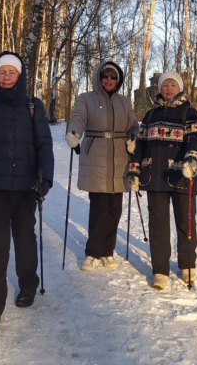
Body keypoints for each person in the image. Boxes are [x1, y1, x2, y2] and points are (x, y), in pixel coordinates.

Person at [0, 51, 54, 334]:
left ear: (19, 76)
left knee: (26, 239)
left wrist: (45, 178)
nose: (6, 76)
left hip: (26, 187)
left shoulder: (33, 106)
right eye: (1, 72)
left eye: (11, 72)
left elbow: (44, 146)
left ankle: (28, 285)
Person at [128, 71, 197, 290]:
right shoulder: (150, 115)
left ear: (179, 88)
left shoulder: (189, 112)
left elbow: (196, 139)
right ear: (160, 88)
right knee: (158, 225)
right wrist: (134, 171)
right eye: (165, 85)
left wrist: (192, 161)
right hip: (154, 177)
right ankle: (160, 270)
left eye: (172, 85)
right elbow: (140, 146)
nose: (168, 88)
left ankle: (188, 265)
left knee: (185, 222)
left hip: (182, 175)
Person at [66, 60, 138, 271]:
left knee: (115, 208)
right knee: (99, 206)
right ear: (98, 77)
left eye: (113, 76)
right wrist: (73, 133)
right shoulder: (86, 98)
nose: (109, 80)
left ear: (118, 80)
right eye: (105, 76)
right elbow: (78, 118)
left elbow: (133, 124)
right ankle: (92, 253)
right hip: (96, 156)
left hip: (119, 158)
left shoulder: (124, 102)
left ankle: (108, 251)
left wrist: (133, 137)